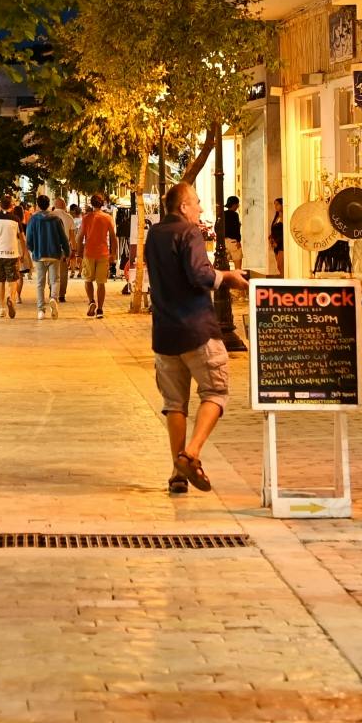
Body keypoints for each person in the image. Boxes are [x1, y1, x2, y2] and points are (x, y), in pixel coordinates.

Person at [145, 183, 249, 495]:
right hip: (197, 329)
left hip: (165, 333)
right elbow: (199, 274)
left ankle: (177, 473)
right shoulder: (189, 232)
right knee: (215, 392)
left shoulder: (154, 234)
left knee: (174, 403)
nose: (201, 208)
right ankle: (190, 454)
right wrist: (227, 277)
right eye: (197, 203)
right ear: (184, 206)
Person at [24, 195, 69, 319]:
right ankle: (53, 298)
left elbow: (28, 239)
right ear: (49, 204)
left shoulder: (33, 219)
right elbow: (63, 238)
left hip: (39, 255)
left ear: (38, 205)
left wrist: (33, 250)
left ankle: (41, 310)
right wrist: (67, 252)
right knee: (55, 280)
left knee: (40, 283)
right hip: (54, 254)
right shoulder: (56, 219)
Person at [79, 192, 117, 317]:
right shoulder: (107, 218)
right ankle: (100, 310)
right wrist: (113, 253)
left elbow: (80, 237)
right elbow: (113, 237)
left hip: (89, 252)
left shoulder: (86, 218)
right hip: (103, 253)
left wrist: (79, 254)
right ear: (102, 203)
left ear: (91, 204)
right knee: (101, 283)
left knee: (88, 280)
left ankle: (91, 301)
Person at [0, 197, 23, 318]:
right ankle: (11, 299)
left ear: (0, 206)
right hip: (12, 254)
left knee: (0, 281)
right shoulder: (16, 219)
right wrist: (23, 252)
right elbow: (22, 238)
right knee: (12, 281)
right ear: (11, 206)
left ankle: (2, 308)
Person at [220, 195, 244, 270]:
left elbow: (217, 228)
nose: (238, 206)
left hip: (224, 242)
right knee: (238, 268)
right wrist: (238, 240)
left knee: (225, 267)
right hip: (233, 242)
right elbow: (236, 229)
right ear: (234, 204)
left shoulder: (222, 214)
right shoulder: (235, 215)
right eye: (237, 204)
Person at [65, 201, 84, 280]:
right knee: (80, 257)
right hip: (81, 241)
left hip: (73, 240)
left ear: (74, 212)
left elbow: (72, 232)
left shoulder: (72, 220)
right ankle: (80, 272)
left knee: (73, 257)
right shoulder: (83, 220)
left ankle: (72, 272)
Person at [269, 198, 285, 276]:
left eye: (277, 204)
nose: (275, 206)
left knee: (280, 265)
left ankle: (285, 280)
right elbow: (274, 229)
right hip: (275, 244)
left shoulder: (285, 216)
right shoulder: (277, 217)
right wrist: (271, 237)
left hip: (281, 243)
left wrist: (277, 242)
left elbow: (284, 232)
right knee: (279, 267)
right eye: (274, 204)